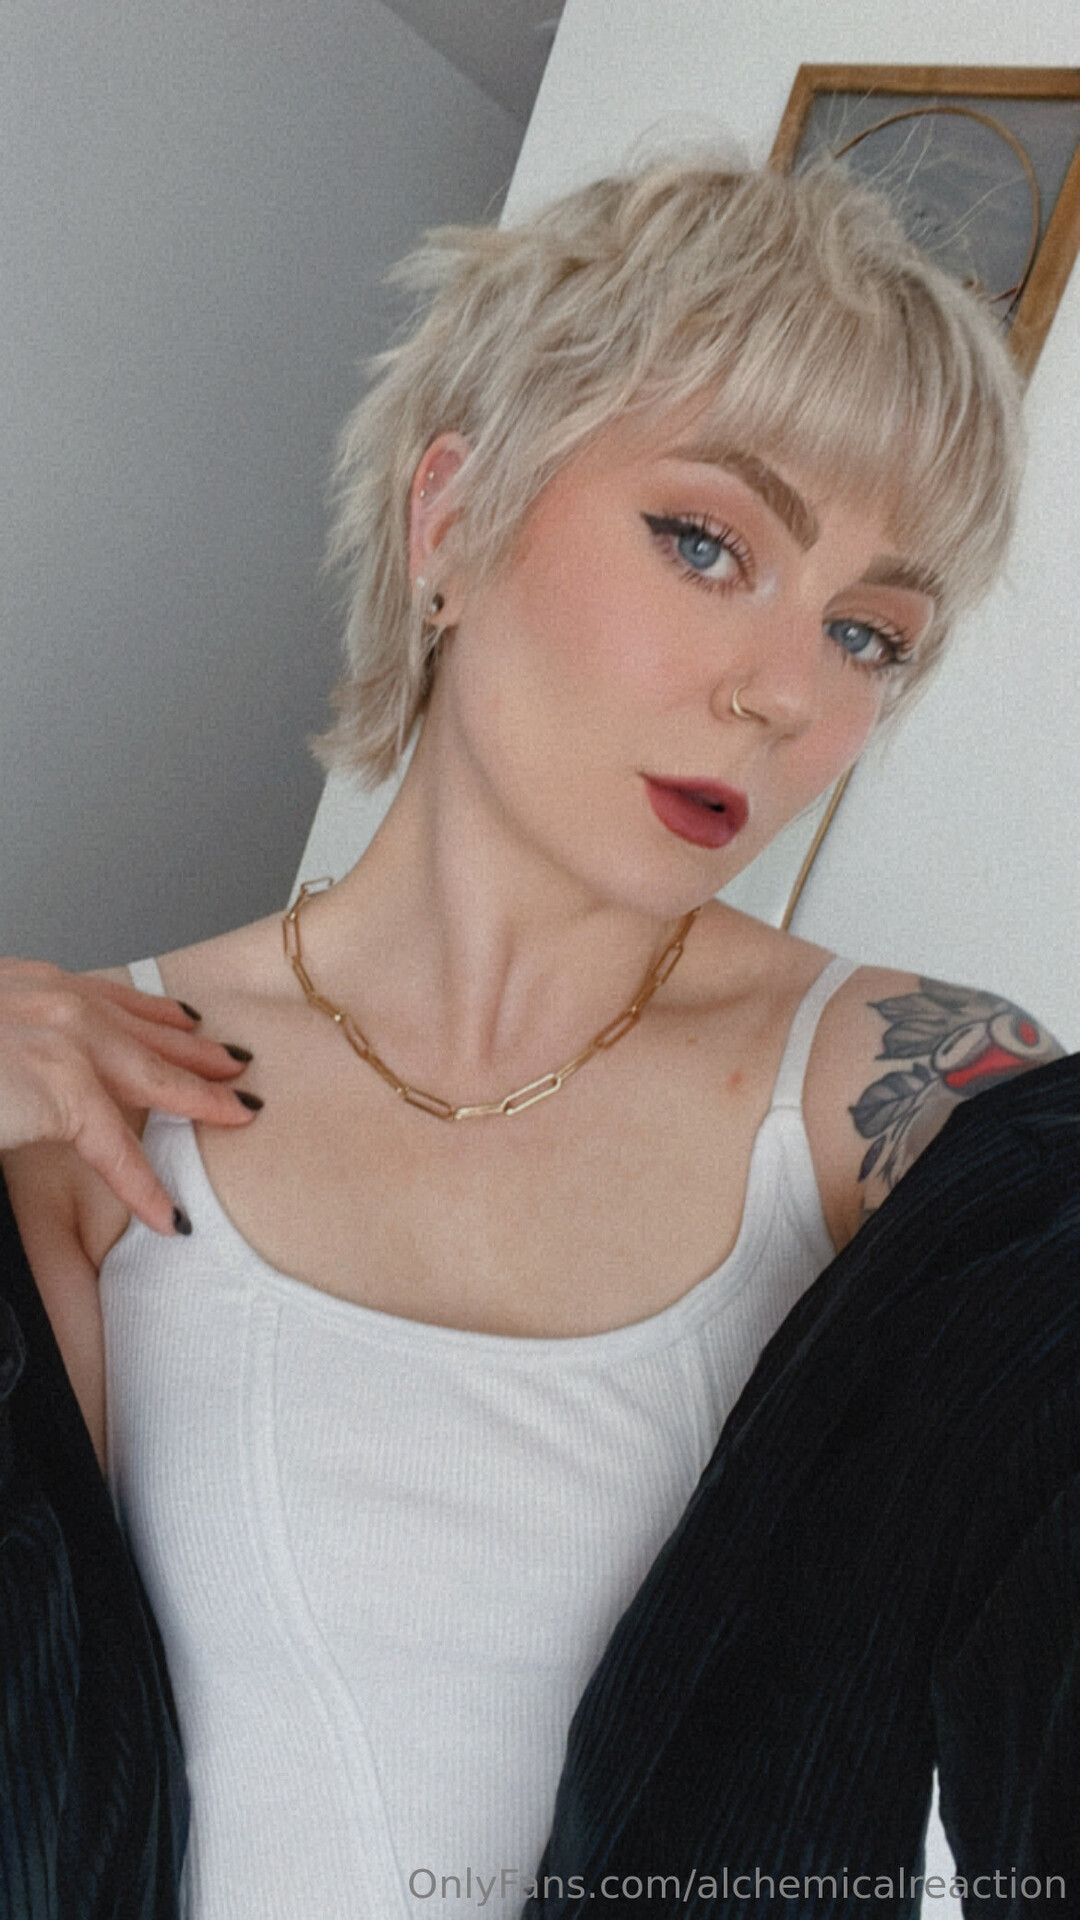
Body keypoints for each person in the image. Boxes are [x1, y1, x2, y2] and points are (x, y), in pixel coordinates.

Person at [0, 156, 1073, 1916]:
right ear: (452, 520)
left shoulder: (913, 1111)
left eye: (867, 633)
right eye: (709, 544)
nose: (784, 691)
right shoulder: (93, 1101)